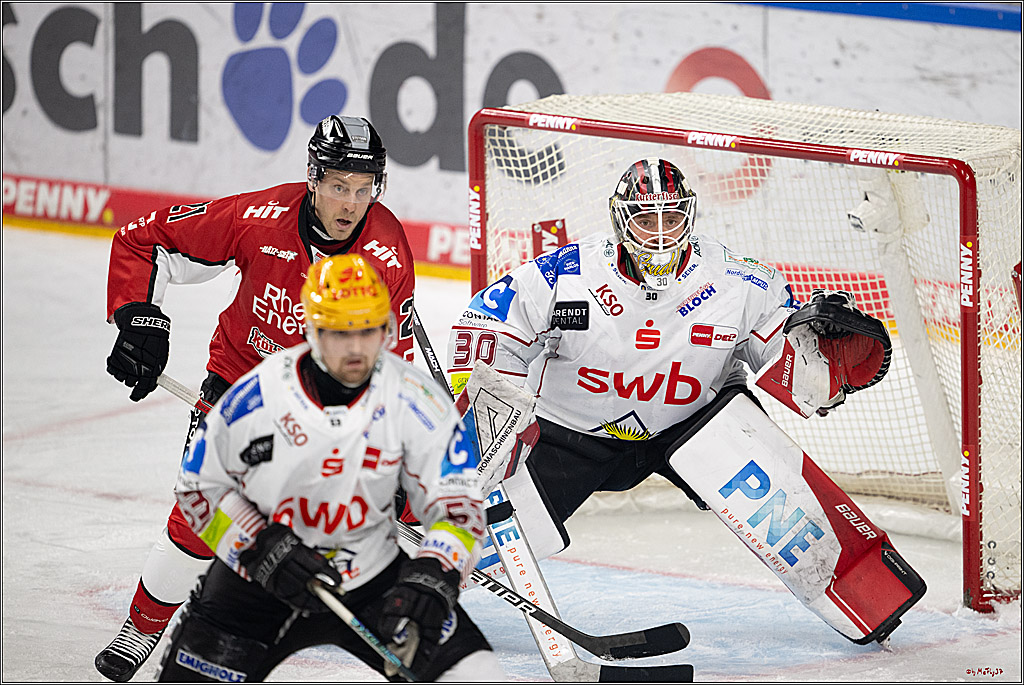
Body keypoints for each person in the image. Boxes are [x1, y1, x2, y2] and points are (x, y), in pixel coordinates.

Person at [445, 158, 903, 639]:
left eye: (673, 217)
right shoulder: (565, 274)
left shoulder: (740, 282)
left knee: (786, 507)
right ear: (621, 220)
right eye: (647, 219)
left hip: (695, 427)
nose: (661, 233)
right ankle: (414, 586)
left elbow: (793, 371)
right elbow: (485, 327)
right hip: (569, 433)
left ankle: (864, 594)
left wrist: (821, 365)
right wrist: (495, 418)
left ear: (691, 215)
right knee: (491, 536)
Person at [97, 115, 416, 682]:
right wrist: (138, 317)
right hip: (238, 391)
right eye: (339, 186)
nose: (351, 203)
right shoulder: (258, 217)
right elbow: (146, 239)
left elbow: (390, 357)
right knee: (200, 518)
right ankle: (144, 626)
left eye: (364, 188)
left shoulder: (387, 253)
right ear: (314, 178)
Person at [155, 254, 503, 681]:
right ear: (312, 331)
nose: (356, 349)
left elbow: (459, 506)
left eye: (368, 330)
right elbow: (198, 486)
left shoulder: (417, 400)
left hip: (371, 576)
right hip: (255, 580)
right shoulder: (260, 394)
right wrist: (259, 544)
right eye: (340, 333)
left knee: (477, 673)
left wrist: (436, 571)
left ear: (388, 330)